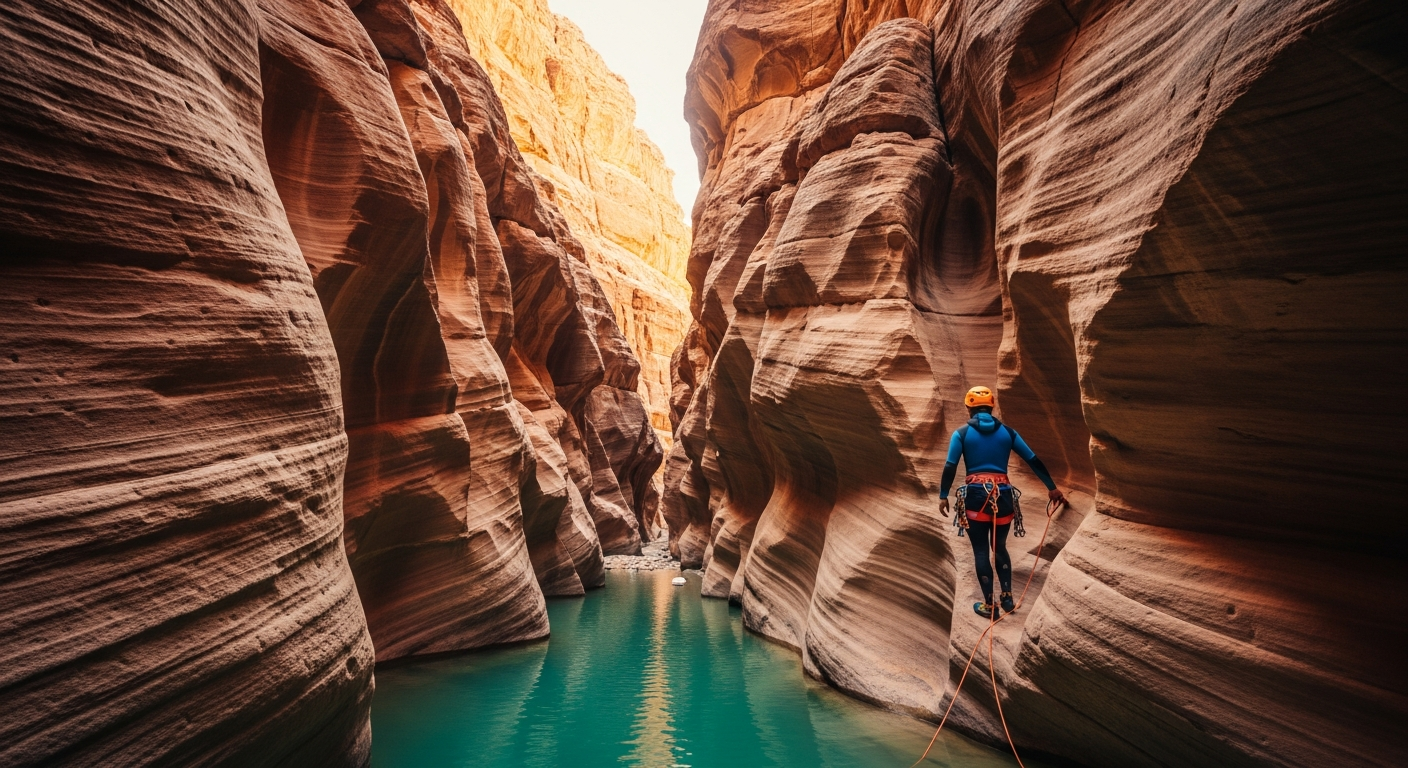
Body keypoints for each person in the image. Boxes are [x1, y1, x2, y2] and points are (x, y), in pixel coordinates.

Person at [937, 386, 1067, 619]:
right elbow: (1033, 459)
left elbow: (950, 465)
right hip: (1004, 496)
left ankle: (990, 606)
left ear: (969, 407)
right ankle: (1007, 599)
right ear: (992, 406)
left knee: (980, 550)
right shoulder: (1008, 433)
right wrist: (1052, 488)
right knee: (1000, 547)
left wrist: (943, 494)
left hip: (976, 496)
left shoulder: (961, 434)